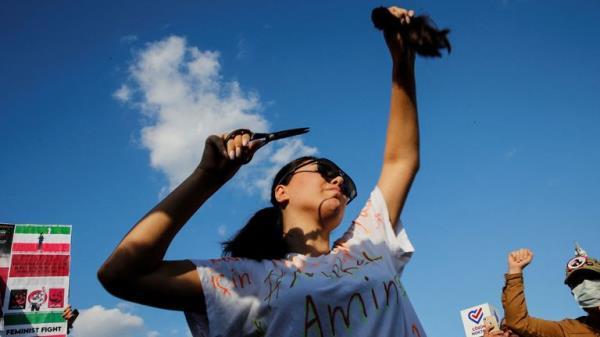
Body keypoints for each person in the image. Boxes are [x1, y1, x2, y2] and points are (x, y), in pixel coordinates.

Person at [98, 6, 449, 337]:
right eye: (325, 171)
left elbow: (401, 160)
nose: (338, 180)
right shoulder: (240, 278)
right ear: (282, 191)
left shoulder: (367, 244)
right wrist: (207, 177)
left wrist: (402, 62)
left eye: (345, 183)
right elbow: (122, 274)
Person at [500, 246, 600, 337]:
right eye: (576, 283)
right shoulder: (570, 330)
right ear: (573, 294)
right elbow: (519, 322)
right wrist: (515, 271)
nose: (586, 285)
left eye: (592, 277)